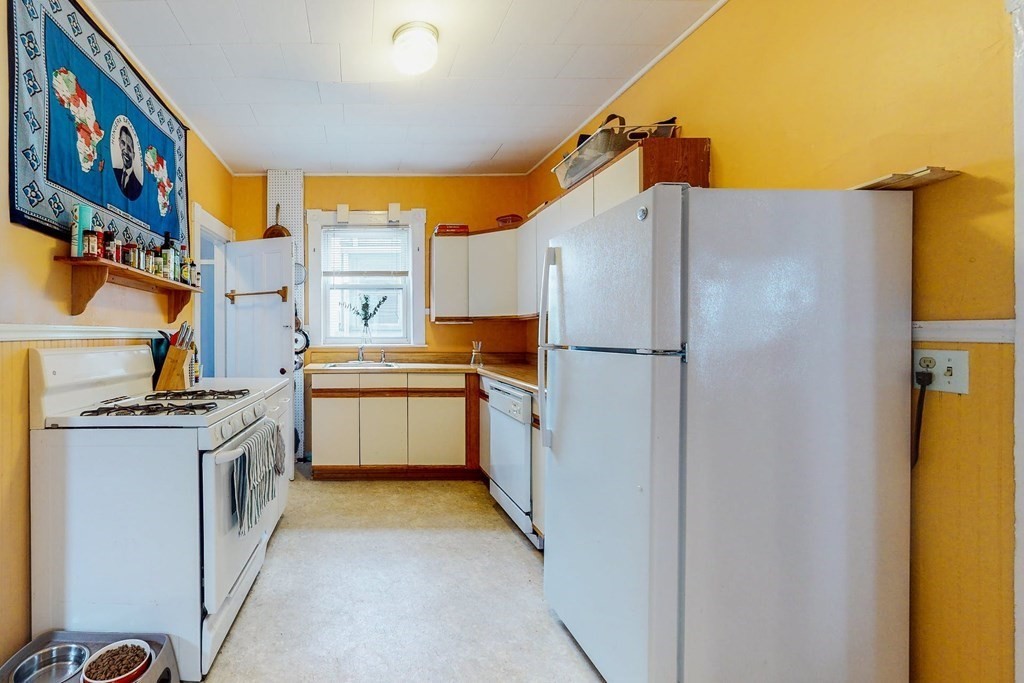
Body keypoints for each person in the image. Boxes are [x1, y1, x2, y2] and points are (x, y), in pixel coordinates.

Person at [113, 125, 142, 200]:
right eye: (122, 143)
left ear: (134, 155)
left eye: (129, 148)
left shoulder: (138, 187)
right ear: (119, 143)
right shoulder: (114, 172)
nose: (125, 151)